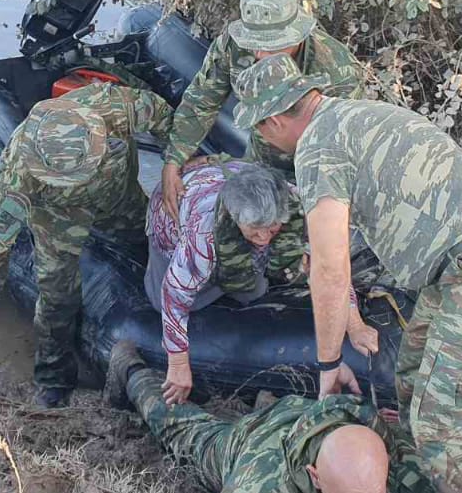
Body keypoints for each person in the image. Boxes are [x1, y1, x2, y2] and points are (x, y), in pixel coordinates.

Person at [232, 55, 462, 493]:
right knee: (409, 380)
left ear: (272, 120)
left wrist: (327, 363)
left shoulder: (316, 149)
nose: (266, 143)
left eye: (262, 132)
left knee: (442, 429)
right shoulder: (358, 114)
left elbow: (332, 272)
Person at [104, 340, 458, 493]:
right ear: (315, 477)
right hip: (253, 438)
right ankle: (133, 372)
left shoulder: (403, 464)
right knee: (185, 432)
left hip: (320, 422)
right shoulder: (262, 474)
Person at [0, 82, 173, 407]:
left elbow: (169, 121)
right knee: (57, 296)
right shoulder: (19, 173)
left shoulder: (114, 105)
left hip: (119, 195)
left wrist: (175, 165)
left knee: (148, 245)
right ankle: (54, 378)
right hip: (58, 215)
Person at [145, 160, 379, 405]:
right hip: (172, 215)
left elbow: (329, 268)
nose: (264, 237)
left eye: (272, 228)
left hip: (233, 186)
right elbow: (174, 294)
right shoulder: (201, 235)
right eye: (255, 230)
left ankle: (236, 273)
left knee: (254, 290)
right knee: (167, 301)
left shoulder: (296, 202)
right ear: (235, 218)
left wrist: (354, 323)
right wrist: (178, 362)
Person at [160, 0, 365, 220]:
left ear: (297, 35)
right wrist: (174, 160)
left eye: (272, 46)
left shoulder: (337, 70)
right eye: (254, 44)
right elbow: (202, 99)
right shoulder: (233, 45)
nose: (260, 55)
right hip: (260, 157)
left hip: (314, 170)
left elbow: (339, 154)